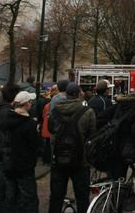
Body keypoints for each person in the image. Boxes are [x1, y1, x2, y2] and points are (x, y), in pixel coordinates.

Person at [48, 82, 96, 213]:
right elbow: (92, 135)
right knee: (82, 197)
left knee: (56, 197)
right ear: (79, 94)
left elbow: (51, 129)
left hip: (58, 159)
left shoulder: (55, 110)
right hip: (81, 161)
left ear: (66, 94)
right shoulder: (88, 111)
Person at [100, 76, 135, 178]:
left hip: (114, 146)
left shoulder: (122, 103)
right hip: (126, 150)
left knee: (117, 181)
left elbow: (101, 117)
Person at [0, 90, 41, 212]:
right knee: (29, 197)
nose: (32, 104)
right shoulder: (28, 124)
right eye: (30, 102)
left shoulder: (5, 120)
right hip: (24, 166)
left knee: (11, 196)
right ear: (26, 104)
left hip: (8, 164)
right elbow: (36, 144)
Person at [0, 83, 21, 213]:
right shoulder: (8, 113)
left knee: (2, 187)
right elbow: (7, 137)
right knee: (10, 189)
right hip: (6, 156)